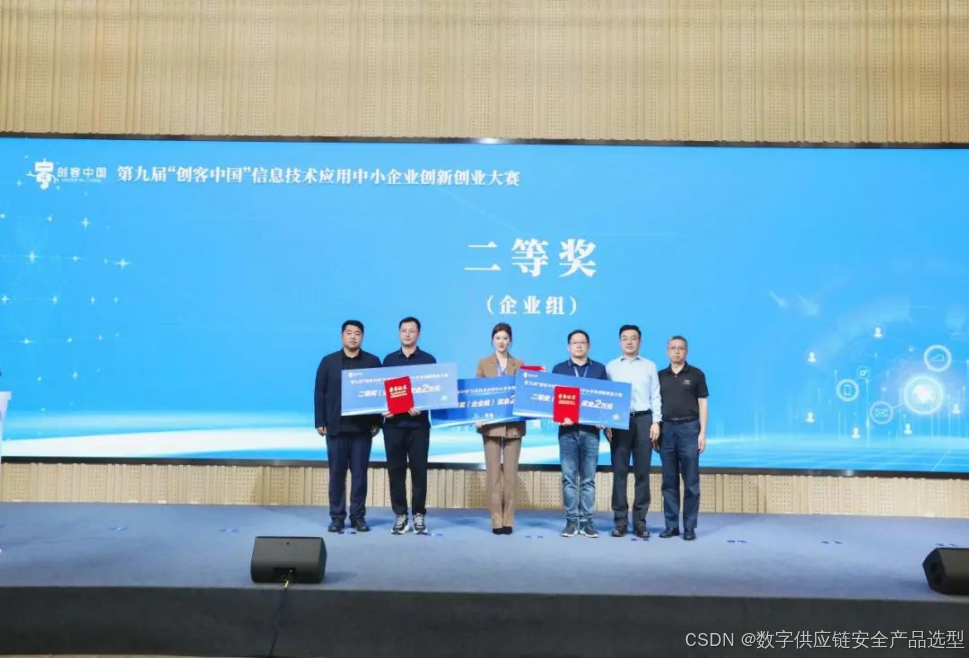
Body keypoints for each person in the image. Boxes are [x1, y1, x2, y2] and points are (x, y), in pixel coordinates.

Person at [314, 320, 381, 533]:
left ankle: (358, 517)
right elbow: (319, 392)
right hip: (335, 428)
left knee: (359, 476)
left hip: (362, 429)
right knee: (336, 475)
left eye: (357, 333)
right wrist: (320, 421)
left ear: (363, 337)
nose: (353, 337)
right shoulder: (328, 361)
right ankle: (337, 517)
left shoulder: (372, 362)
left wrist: (377, 421)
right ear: (342, 336)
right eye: (349, 333)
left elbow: (379, 392)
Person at [605, 324, 662, 538]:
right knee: (619, 472)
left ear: (640, 341)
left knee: (642, 473)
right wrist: (607, 423)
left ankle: (640, 521)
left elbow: (655, 395)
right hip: (619, 422)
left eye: (633, 338)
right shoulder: (611, 367)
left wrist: (656, 422)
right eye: (625, 338)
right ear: (620, 341)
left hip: (644, 420)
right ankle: (620, 521)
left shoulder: (649, 366)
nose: (629, 342)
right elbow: (606, 397)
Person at [382, 317, 437, 535]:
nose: (407, 334)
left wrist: (424, 407)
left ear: (418, 334)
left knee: (419, 471)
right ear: (399, 333)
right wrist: (383, 409)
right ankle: (400, 514)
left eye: (412, 331)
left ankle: (419, 514)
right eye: (404, 330)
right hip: (393, 425)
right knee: (395, 471)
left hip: (418, 425)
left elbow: (434, 391)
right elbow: (379, 392)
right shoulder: (388, 360)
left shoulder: (428, 360)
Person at [551, 330, 609, 538]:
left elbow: (606, 398)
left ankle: (586, 522)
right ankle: (571, 522)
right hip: (567, 431)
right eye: (574, 342)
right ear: (568, 347)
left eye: (582, 342)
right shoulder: (559, 369)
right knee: (569, 479)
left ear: (589, 346)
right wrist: (558, 416)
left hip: (591, 432)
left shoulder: (599, 369)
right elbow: (552, 399)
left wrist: (603, 419)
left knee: (588, 480)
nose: (578, 345)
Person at [475, 322, 526, 535]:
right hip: (491, 426)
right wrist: (477, 417)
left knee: (511, 475)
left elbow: (526, 393)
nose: (501, 342)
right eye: (498, 338)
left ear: (510, 340)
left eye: (505, 338)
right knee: (493, 474)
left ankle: (508, 520)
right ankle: (496, 520)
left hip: (513, 425)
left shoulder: (519, 364)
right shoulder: (483, 363)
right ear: (492, 340)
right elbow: (477, 393)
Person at [656, 335, 709, 541]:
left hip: (689, 428)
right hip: (666, 430)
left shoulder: (696, 374)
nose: (676, 351)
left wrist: (702, 432)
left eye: (680, 348)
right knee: (669, 481)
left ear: (686, 352)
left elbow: (703, 403)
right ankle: (671, 526)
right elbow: (655, 404)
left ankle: (689, 527)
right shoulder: (659, 376)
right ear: (667, 351)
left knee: (691, 481)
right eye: (673, 348)